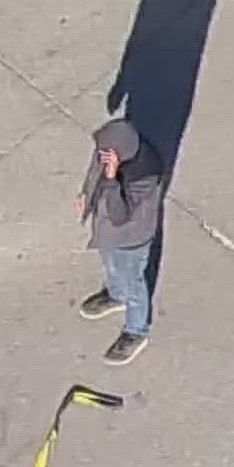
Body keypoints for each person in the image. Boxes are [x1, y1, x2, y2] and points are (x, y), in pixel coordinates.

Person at [76, 118, 168, 365]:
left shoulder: (145, 175)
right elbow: (94, 167)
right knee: (111, 265)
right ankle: (116, 295)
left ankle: (136, 331)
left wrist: (111, 177)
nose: (101, 155)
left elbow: (120, 214)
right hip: (108, 228)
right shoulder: (114, 150)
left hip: (130, 236)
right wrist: (87, 192)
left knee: (134, 281)